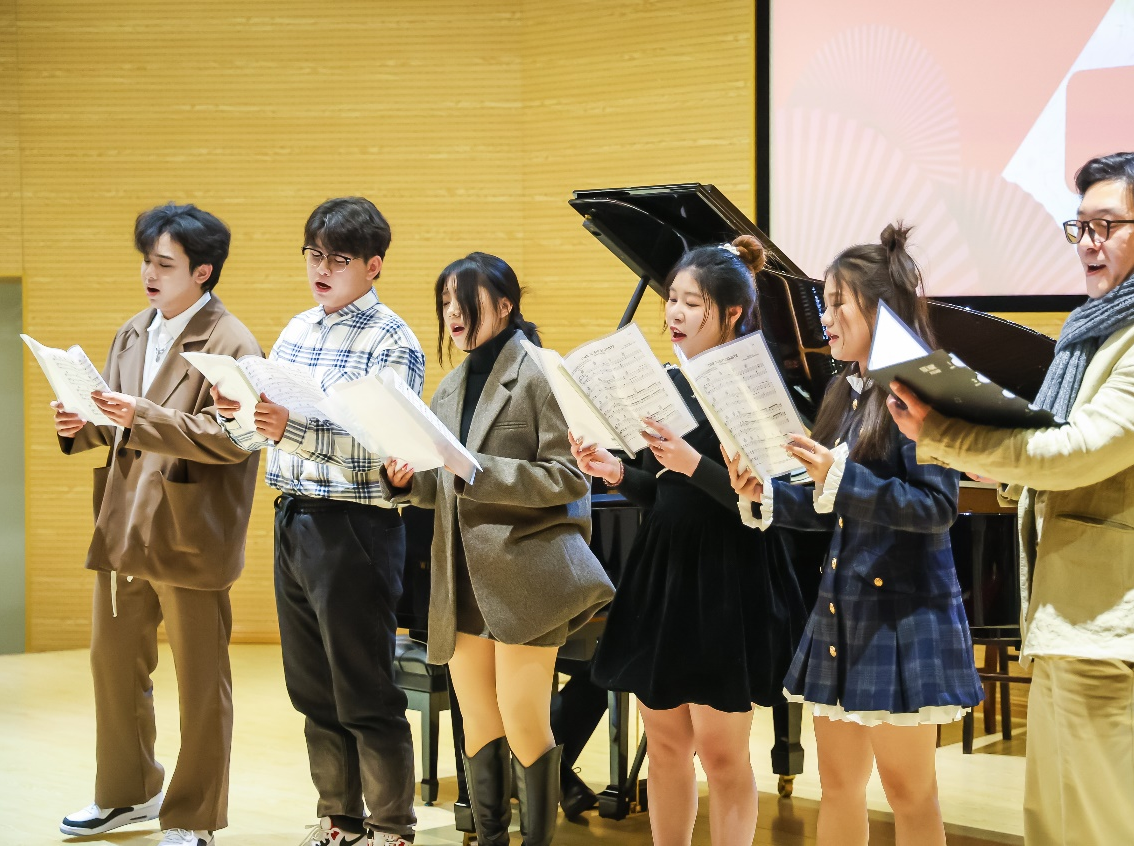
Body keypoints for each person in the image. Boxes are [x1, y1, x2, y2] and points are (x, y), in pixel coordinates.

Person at [887, 152, 1134, 846]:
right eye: (1081, 227)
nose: (1089, 243)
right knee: (1059, 827)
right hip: (1077, 620)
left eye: (1108, 226)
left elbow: (1075, 454)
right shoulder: (1101, 334)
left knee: (1126, 829)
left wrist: (944, 434)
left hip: (1124, 627)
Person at [727, 222, 982, 846]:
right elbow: (828, 503)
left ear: (878, 308)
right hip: (844, 611)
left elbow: (936, 507)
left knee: (909, 794)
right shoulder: (845, 389)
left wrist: (839, 479)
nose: (825, 317)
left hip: (904, 615)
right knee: (838, 787)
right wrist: (765, 494)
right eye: (825, 301)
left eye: (837, 302)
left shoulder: (924, 386)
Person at [573, 237, 807, 846]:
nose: (674, 313)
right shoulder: (669, 382)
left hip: (727, 575)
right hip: (664, 571)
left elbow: (764, 504)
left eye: (692, 303)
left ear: (731, 313)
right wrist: (616, 472)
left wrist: (691, 463)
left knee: (723, 755)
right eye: (672, 299)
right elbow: (663, 495)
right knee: (666, 745)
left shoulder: (753, 387)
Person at [381, 252, 613, 846]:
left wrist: (477, 469)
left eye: (465, 301)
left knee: (524, 720)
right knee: (479, 722)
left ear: (505, 305)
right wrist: (405, 481)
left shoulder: (541, 374)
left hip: (527, 576)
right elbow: (441, 484)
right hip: (459, 578)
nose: (452, 313)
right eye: (445, 302)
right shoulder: (449, 386)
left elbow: (570, 477)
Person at [213, 197, 425, 846]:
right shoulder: (296, 330)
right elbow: (263, 435)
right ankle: (340, 821)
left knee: (365, 689)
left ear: (373, 266)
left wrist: (292, 428)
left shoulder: (393, 341)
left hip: (357, 527)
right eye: (313, 254)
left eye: (338, 258)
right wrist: (237, 413)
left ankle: (391, 828)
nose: (321, 269)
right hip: (293, 518)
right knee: (311, 689)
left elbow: (385, 447)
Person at [56, 203, 261, 846]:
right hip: (125, 523)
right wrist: (81, 424)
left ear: (203, 272)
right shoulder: (132, 332)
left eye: (164, 264)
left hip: (189, 530)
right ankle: (127, 792)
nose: (149, 273)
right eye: (147, 261)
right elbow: (115, 420)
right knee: (112, 662)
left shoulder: (232, 342)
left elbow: (236, 438)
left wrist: (138, 414)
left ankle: (194, 816)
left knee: (200, 681)